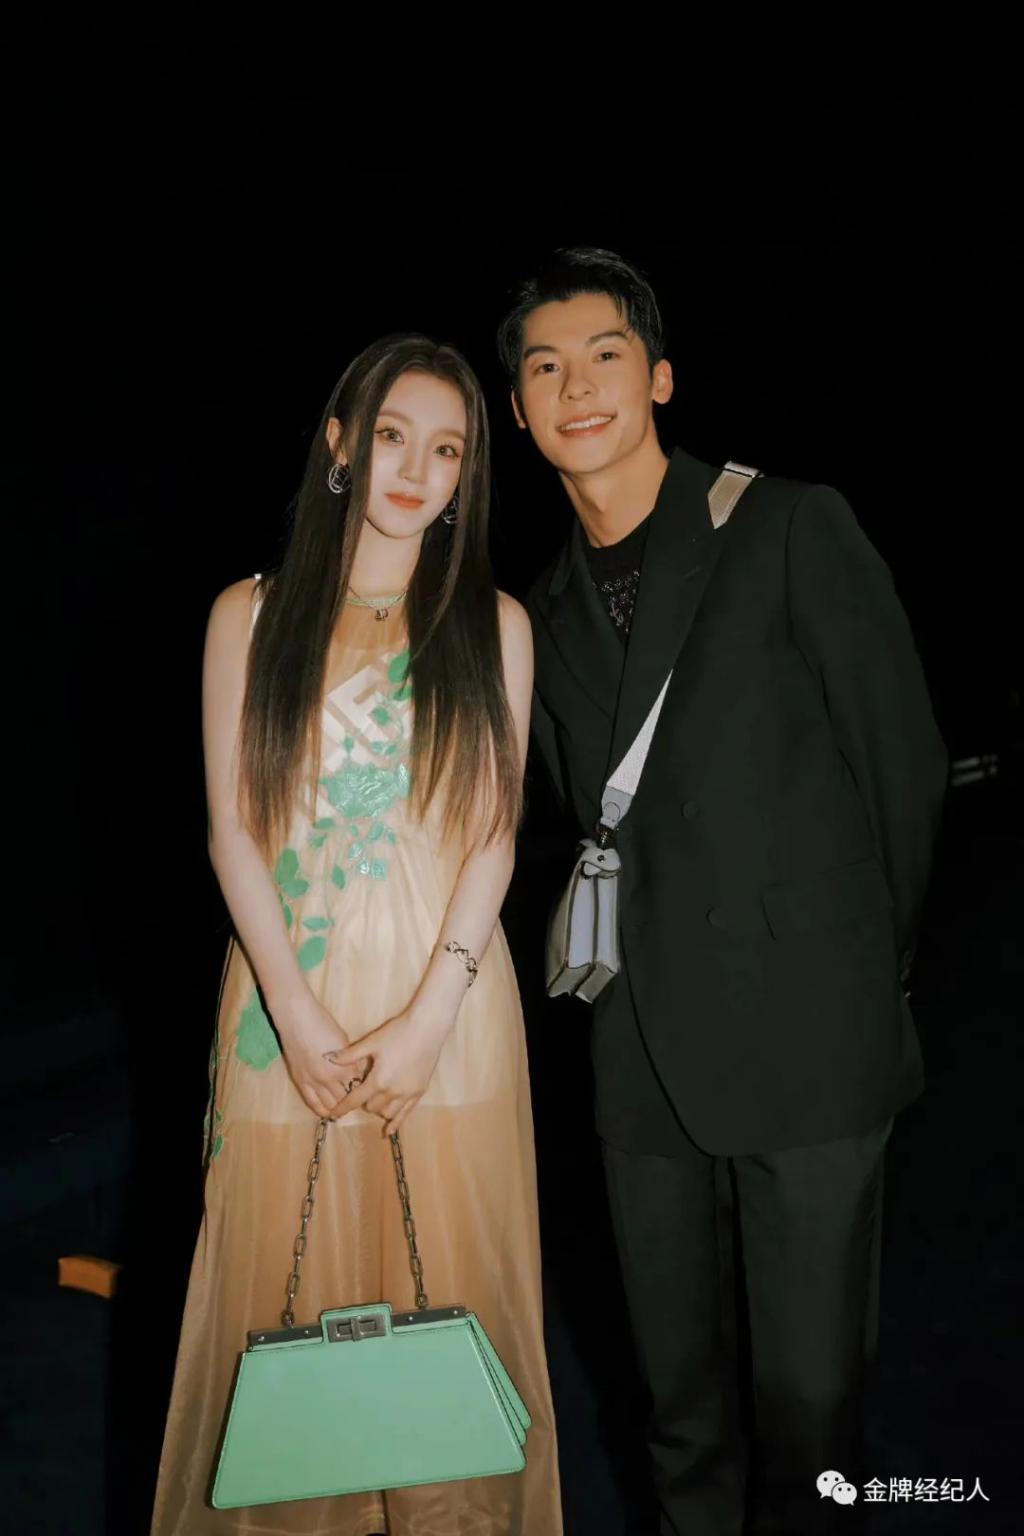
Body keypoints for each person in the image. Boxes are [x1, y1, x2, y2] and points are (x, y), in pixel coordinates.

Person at [499, 248, 948, 1535]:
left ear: (659, 377)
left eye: (604, 355)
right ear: (517, 411)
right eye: (543, 367)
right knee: (678, 1413)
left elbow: (902, 771)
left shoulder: (789, 525)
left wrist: (860, 966)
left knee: (809, 1414)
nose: (576, 386)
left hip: (807, 1033)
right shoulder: (538, 610)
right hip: (639, 1057)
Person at [151, 334, 562, 1536]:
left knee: (460, 1310)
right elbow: (232, 830)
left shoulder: (494, 625)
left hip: (450, 1015)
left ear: (467, 477)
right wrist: (294, 1011)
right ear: (340, 444)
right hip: (291, 1011)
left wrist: (430, 1018)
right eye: (391, 436)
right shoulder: (250, 614)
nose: (415, 470)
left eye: (446, 450)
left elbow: (494, 838)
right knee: (277, 1318)